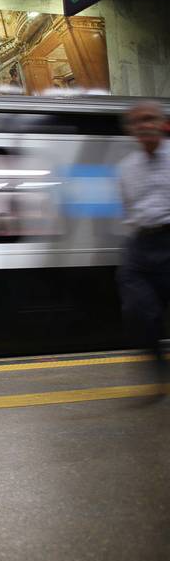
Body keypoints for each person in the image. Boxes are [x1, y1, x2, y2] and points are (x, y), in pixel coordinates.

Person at [116, 101, 170, 397]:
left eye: (150, 118)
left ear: (162, 122)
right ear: (132, 131)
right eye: (138, 122)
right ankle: (158, 363)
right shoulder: (125, 169)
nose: (144, 125)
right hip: (142, 243)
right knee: (138, 309)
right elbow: (129, 209)